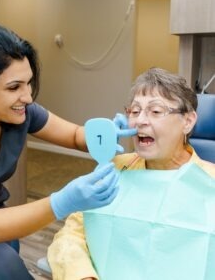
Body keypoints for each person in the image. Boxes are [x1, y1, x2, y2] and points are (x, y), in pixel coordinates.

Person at [0, 24, 136, 279]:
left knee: (6, 253)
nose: (28, 97)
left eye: (28, 83)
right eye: (14, 87)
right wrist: (63, 201)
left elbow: (75, 136)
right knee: (1, 267)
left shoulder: (20, 113)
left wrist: (105, 134)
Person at [47, 67, 215, 280]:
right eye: (134, 112)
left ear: (188, 121)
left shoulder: (209, 185)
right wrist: (83, 276)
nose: (140, 121)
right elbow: (70, 236)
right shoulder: (116, 169)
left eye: (155, 111)